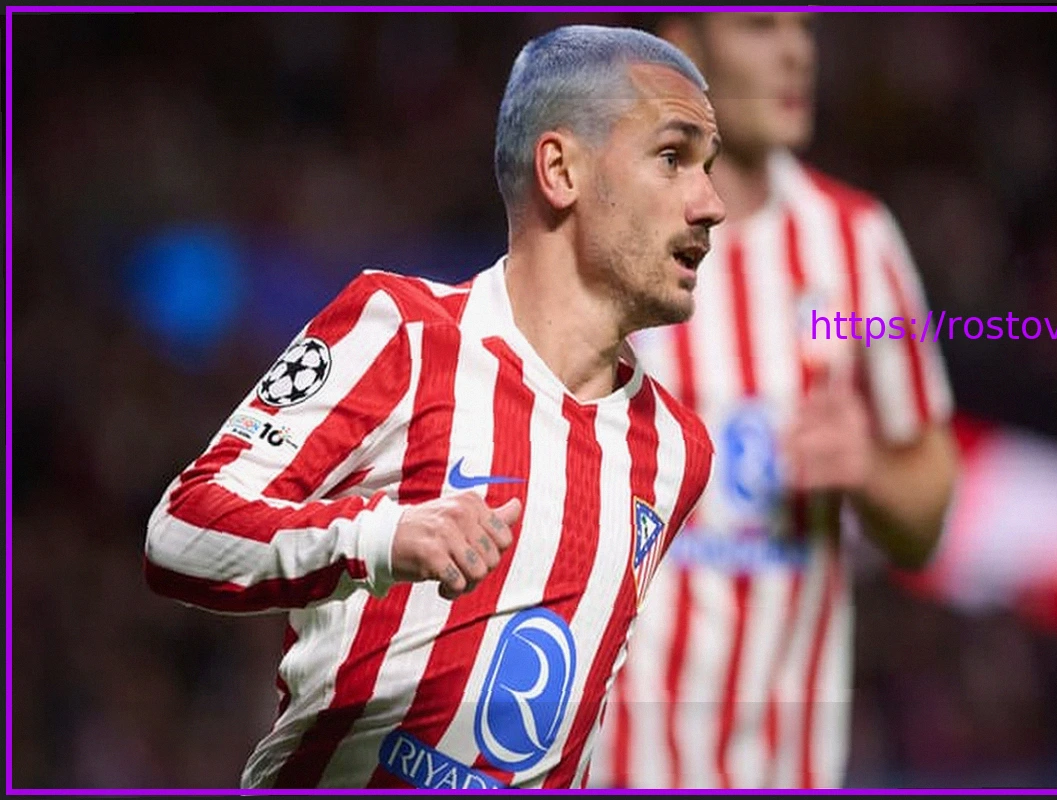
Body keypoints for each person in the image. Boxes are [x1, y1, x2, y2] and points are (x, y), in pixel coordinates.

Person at [143, 24, 725, 789]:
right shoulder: (405, 334)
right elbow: (182, 532)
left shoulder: (677, 452)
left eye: (709, 167)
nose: (711, 203)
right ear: (561, 170)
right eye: (673, 157)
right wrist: (382, 538)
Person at [587, 12, 959, 789]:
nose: (796, 52)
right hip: (608, 766)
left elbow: (928, 514)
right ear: (684, 49)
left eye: (804, 27)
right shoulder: (603, 233)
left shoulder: (855, 244)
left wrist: (870, 469)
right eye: (760, 26)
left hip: (786, 769)